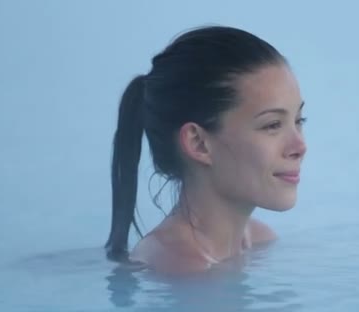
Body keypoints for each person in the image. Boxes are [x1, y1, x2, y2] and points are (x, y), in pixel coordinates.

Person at [105, 25, 307, 275]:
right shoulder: (180, 268)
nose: (300, 146)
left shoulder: (260, 241)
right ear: (199, 143)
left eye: (299, 121)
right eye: (272, 125)